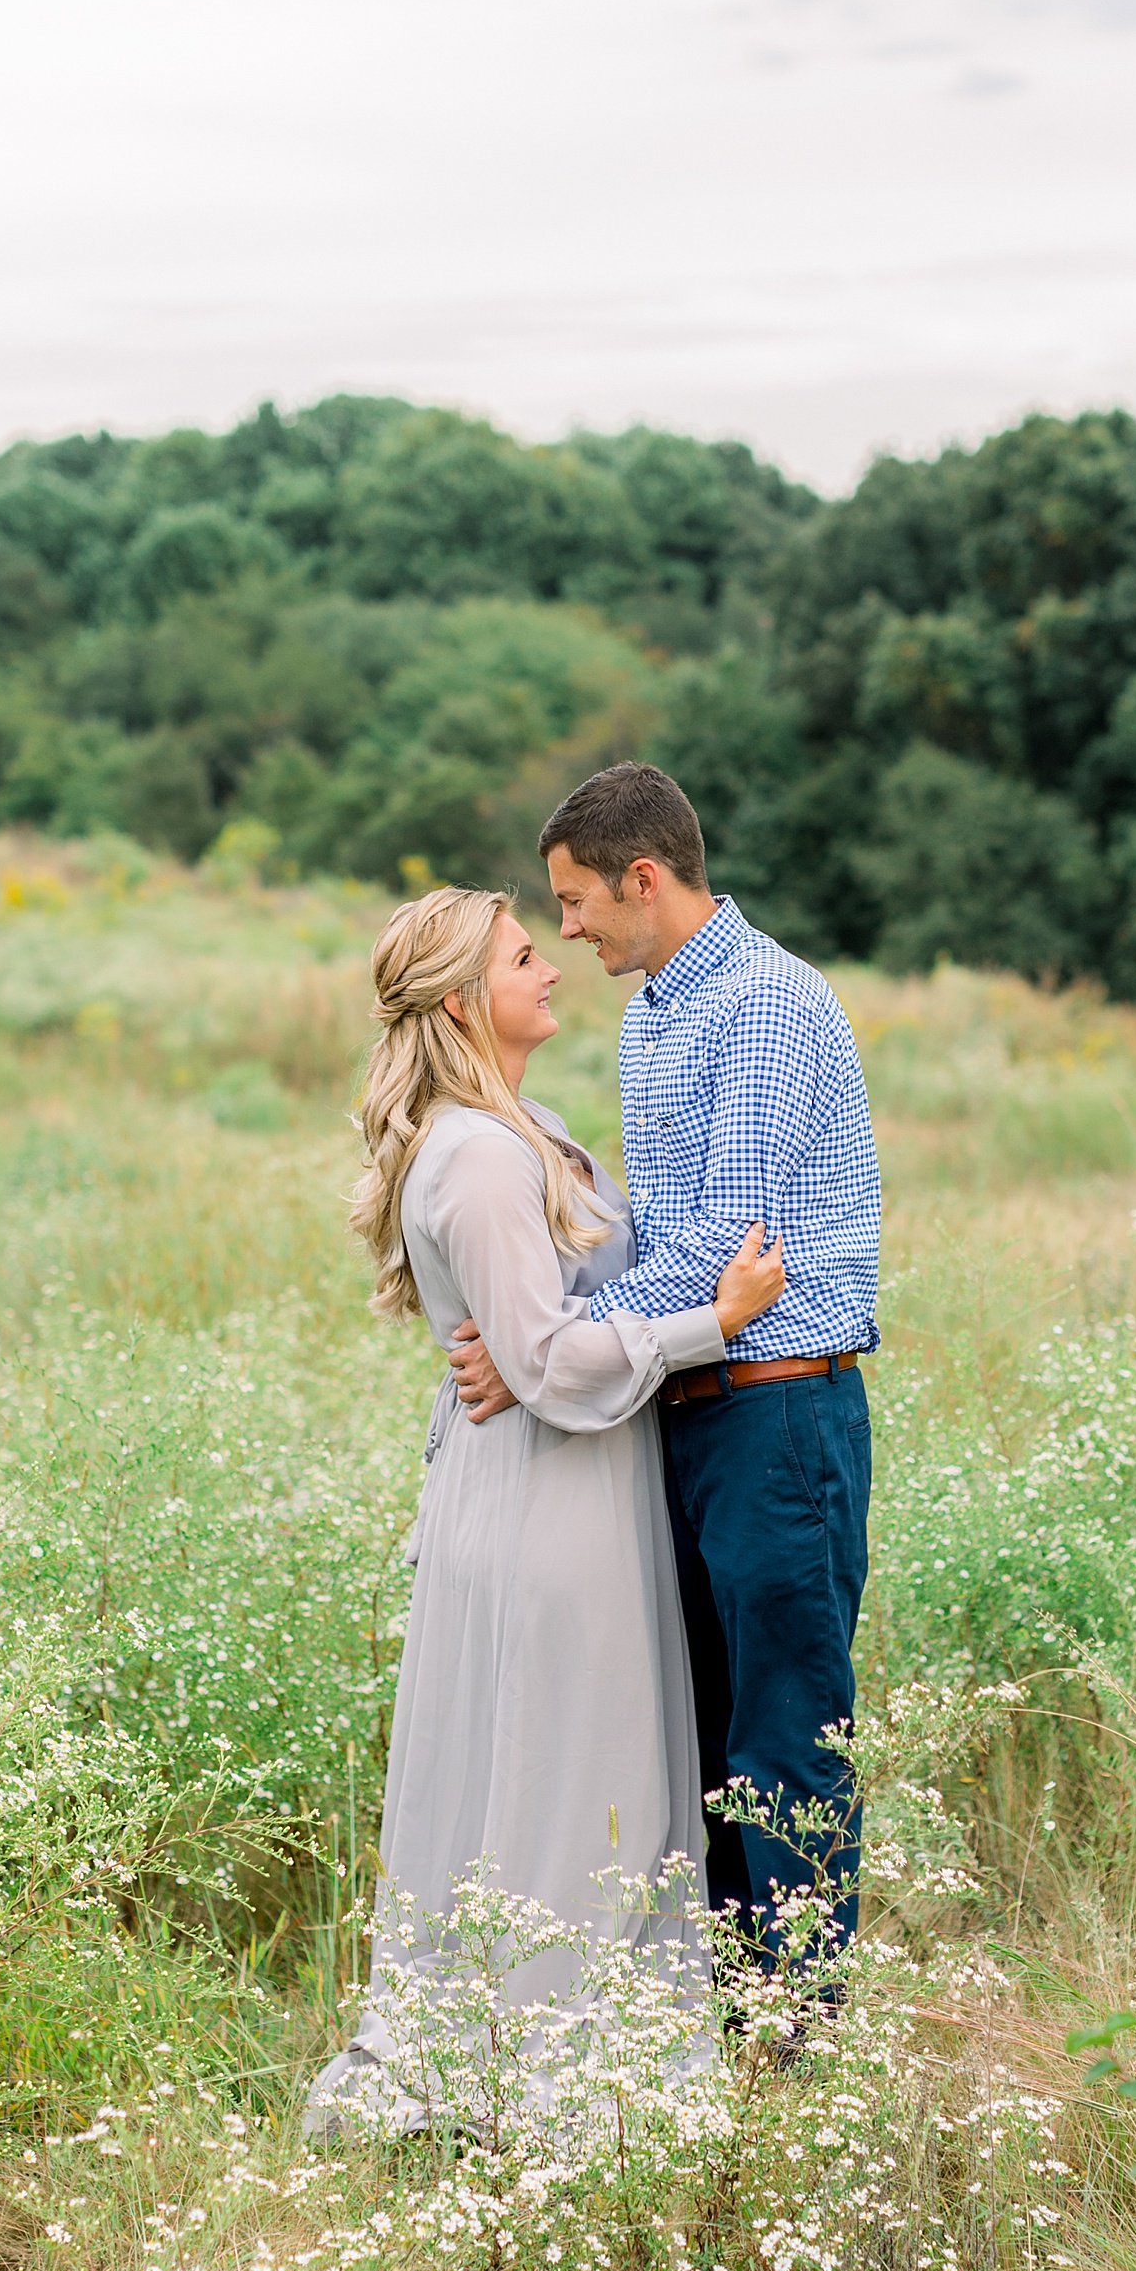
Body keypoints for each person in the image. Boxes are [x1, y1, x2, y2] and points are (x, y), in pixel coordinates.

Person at [306, 883, 783, 2133]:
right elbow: (551, 1363)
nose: (554, 963)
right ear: (466, 1000)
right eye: (528, 953)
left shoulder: (532, 1127)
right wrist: (713, 1324)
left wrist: (535, 1349)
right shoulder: (474, 1157)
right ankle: (552, 2083)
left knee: (576, 1767)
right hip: (545, 1511)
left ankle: (571, 2056)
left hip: (573, 1488)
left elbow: (541, 1342)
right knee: (569, 1774)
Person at [451, 762, 880, 1969]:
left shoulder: (764, 1005)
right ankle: (726, 2032)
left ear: (644, 878)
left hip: (777, 1411)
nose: (568, 927)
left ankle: (802, 2044)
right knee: (699, 1742)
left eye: (578, 899)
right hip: (683, 1407)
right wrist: (559, 1324)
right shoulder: (659, 1010)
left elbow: (719, 1240)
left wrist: (551, 1345)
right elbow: (658, 1234)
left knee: (787, 1737)